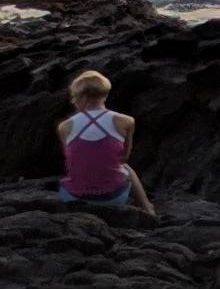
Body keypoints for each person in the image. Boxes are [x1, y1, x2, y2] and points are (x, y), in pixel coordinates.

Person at [57, 70, 156, 219]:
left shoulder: (64, 126)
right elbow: (124, 157)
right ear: (105, 95)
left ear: (82, 97)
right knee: (126, 168)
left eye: (74, 97)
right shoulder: (127, 121)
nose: (73, 101)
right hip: (114, 197)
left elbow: (72, 161)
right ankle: (147, 208)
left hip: (74, 198)